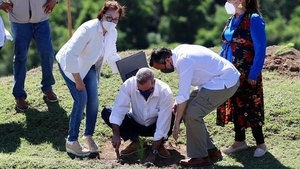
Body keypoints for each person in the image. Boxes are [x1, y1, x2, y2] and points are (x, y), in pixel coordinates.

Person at [150, 44, 240, 167]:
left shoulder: (183, 61)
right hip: (211, 82)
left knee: (192, 114)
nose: (162, 71)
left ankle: (200, 157)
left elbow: (183, 95)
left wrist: (176, 125)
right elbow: (185, 90)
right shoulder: (178, 52)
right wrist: (179, 104)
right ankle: (211, 151)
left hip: (224, 82)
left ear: (167, 60)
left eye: (161, 68)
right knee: (187, 110)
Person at [56, 1, 125, 157]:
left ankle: (88, 136)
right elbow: (70, 55)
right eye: (109, 17)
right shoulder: (89, 29)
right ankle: (71, 142)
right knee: (81, 99)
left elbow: (112, 55)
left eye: (116, 19)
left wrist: (125, 72)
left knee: (93, 101)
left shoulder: (113, 32)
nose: (112, 22)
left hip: (89, 66)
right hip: (70, 65)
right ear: (102, 15)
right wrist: (78, 81)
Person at [217, 0, 267, 157]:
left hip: (248, 72)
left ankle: (261, 144)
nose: (228, 1)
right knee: (236, 104)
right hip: (230, 71)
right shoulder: (230, 19)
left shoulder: (253, 19)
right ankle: (239, 141)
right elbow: (226, 45)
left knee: (251, 105)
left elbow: (260, 49)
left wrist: (254, 73)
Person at [101, 68, 174, 163]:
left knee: (172, 114)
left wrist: (153, 153)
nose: (144, 94)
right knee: (107, 112)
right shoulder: (129, 84)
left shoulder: (165, 92)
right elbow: (119, 110)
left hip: (154, 125)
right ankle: (136, 141)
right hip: (135, 123)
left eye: (148, 91)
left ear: (154, 82)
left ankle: (158, 145)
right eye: (141, 91)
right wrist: (116, 134)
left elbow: (162, 124)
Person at [0, 0, 59, 111]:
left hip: (42, 18)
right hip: (18, 20)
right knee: (20, 57)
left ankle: (47, 88)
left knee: (48, 53)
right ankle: (19, 95)